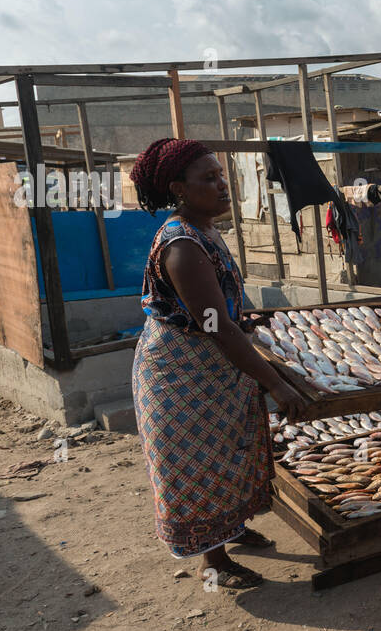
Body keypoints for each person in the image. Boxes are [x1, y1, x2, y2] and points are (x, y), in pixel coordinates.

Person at [129, 138, 306, 589]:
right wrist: (278, 385)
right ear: (179, 188)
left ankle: (233, 524)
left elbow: (220, 309)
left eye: (221, 174)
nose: (223, 185)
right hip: (182, 374)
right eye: (209, 178)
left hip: (218, 369)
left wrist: (246, 316)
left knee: (233, 449)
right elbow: (217, 328)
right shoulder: (182, 245)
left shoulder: (205, 229)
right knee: (199, 463)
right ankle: (213, 561)